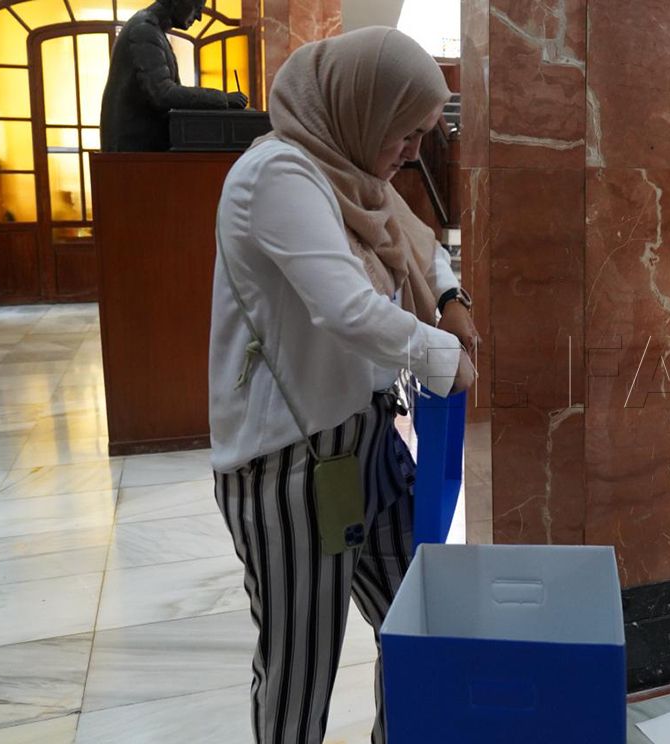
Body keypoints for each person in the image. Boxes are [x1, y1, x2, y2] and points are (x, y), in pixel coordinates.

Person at [208, 28, 477, 744]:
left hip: (366, 441)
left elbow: (412, 241)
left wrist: (451, 301)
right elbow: (343, 305)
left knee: (421, 625)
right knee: (300, 669)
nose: (414, 151)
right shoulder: (280, 175)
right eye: (407, 130)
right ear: (362, 106)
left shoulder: (357, 173)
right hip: (291, 467)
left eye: (425, 132)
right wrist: (440, 356)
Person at [100, 0, 248, 152]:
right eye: (197, 7)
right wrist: (222, 99)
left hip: (138, 153)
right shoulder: (143, 30)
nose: (199, 17)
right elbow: (163, 93)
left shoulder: (152, 30)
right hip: (132, 155)